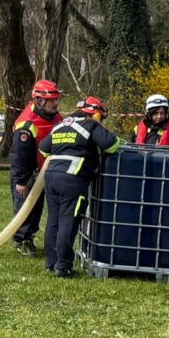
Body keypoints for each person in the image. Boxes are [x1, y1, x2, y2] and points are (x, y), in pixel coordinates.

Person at [38, 96, 122, 278]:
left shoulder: (60, 125)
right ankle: (63, 267)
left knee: (54, 220)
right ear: (95, 113)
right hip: (73, 180)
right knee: (69, 220)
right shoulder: (90, 125)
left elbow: (44, 149)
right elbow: (112, 144)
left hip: (51, 177)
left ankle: (50, 263)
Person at [9, 79, 63, 257]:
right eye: (52, 100)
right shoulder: (26, 125)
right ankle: (21, 240)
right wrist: (20, 181)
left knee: (37, 208)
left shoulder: (55, 117)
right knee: (25, 207)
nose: (56, 103)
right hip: (27, 173)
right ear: (40, 101)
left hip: (44, 172)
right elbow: (19, 156)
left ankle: (29, 237)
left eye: (56, 99)